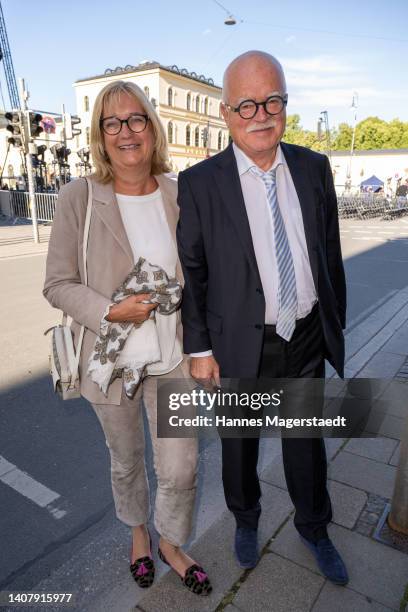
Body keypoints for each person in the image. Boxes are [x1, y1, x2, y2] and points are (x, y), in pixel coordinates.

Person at [176, 51, 348, 585]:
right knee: (239, 443)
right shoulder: (200, 182)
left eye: (272, 100)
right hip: (239, 344)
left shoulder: (314, 167)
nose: (261, 114)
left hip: (305, 334)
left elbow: (328, 252)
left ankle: (315, 527)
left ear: (286, 105)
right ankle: (245, 521)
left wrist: (332, 323)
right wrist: (199, 349)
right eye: (246, 104)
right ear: (226, 113)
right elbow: (193, 271)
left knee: (306, 443)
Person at [43, 80, 211, 596]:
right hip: (109, 361)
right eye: (111, 123)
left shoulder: (180, 193)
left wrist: (206, 349)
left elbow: (203, 275)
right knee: (126, 459)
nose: (126, 132)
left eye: (135, 119)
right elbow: (57, 283)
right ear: (99, 134)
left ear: (152, 127)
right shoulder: (80, 197)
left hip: (173, 358)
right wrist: (110, 311)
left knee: (181, 468)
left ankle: (172, 542)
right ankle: (139, 533)